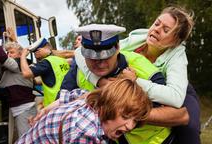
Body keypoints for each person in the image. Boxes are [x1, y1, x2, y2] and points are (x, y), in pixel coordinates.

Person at [76, 6, 200, 144]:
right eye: (157, 23)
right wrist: (99, 80)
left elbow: (175, 97)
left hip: (175, 88)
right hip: (132, 84)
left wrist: (135, 82)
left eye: (166, 30)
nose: (156, 30)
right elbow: (81, 53)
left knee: (190, 125)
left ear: (175, 41)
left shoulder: (178, 57)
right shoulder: (136, 40)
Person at [16, 78, 152, 143]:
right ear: (109, 104)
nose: (130, 126)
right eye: (125, 115)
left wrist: (45, 111)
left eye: (135, 120)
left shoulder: (90, 99)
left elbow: (72, 96)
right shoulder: (86, 133)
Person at [0, 25, 37, 138]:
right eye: (7, 52)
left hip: (24, 110)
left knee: (26, 139)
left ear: (20, 55)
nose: (9, 55)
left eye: (11, 52)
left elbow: (1, 57)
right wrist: (14, 40)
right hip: (21, 109)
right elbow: (21, 52)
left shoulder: (17, 64)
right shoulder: (23, 63)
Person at [20, 38, 70, 108]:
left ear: (47, 47)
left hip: (54, 105)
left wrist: (22, 56)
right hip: (66, 101)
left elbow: (26, 73)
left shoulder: (46, 62)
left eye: (37, 50)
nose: (35, 54)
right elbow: (55, 78)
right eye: (34, 52)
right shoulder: (62, 60)